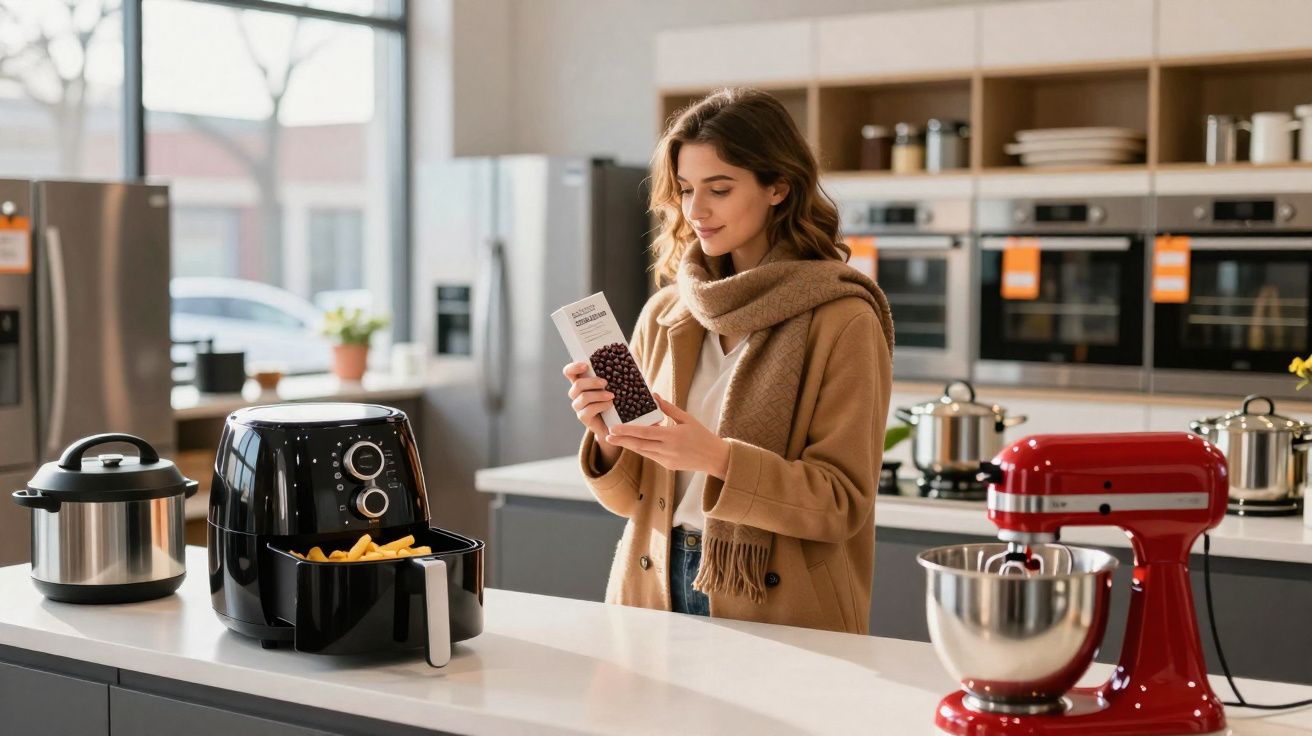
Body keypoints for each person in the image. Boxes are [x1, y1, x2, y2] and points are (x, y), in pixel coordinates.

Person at [561, 87, 894, 633]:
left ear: (778, 187)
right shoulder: (667, 312)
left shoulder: (843, 319)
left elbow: (841, 505)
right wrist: (608, 435)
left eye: (719, 189)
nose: (695, 210)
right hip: (651, 589)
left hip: (779, 606)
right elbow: (629, 501)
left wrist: (718, 459)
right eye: (686, 189)